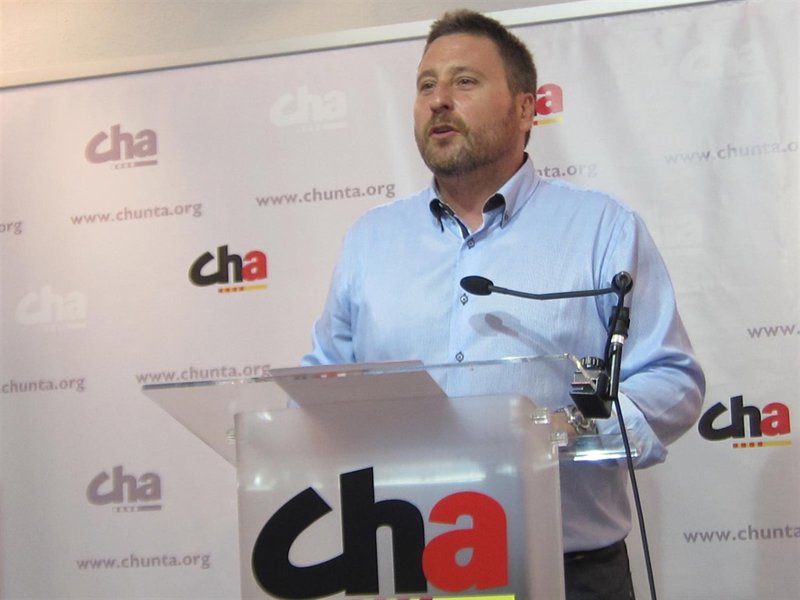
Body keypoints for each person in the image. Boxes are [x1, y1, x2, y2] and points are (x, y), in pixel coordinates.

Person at [302, 9, 705, 600]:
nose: (439, 100)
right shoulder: (371, 239)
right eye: (426, 84)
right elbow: (325, 381)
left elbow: (671, 379)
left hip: (568, 572)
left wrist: (574, 430)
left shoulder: (601, 228)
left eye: (464, 82)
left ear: (525, 109)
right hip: (408, 566)